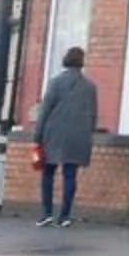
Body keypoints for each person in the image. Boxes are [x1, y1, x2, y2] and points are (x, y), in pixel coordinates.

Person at [31, 45, 100, 227]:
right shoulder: (90, 87)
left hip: (53, 135)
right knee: (70, 175)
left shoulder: (55, 83)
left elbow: (45, 110)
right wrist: (88, 135)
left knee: (48, 174)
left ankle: (47, 213)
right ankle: (65, 216)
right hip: (77, 137)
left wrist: (37, 136)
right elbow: (93, 115)